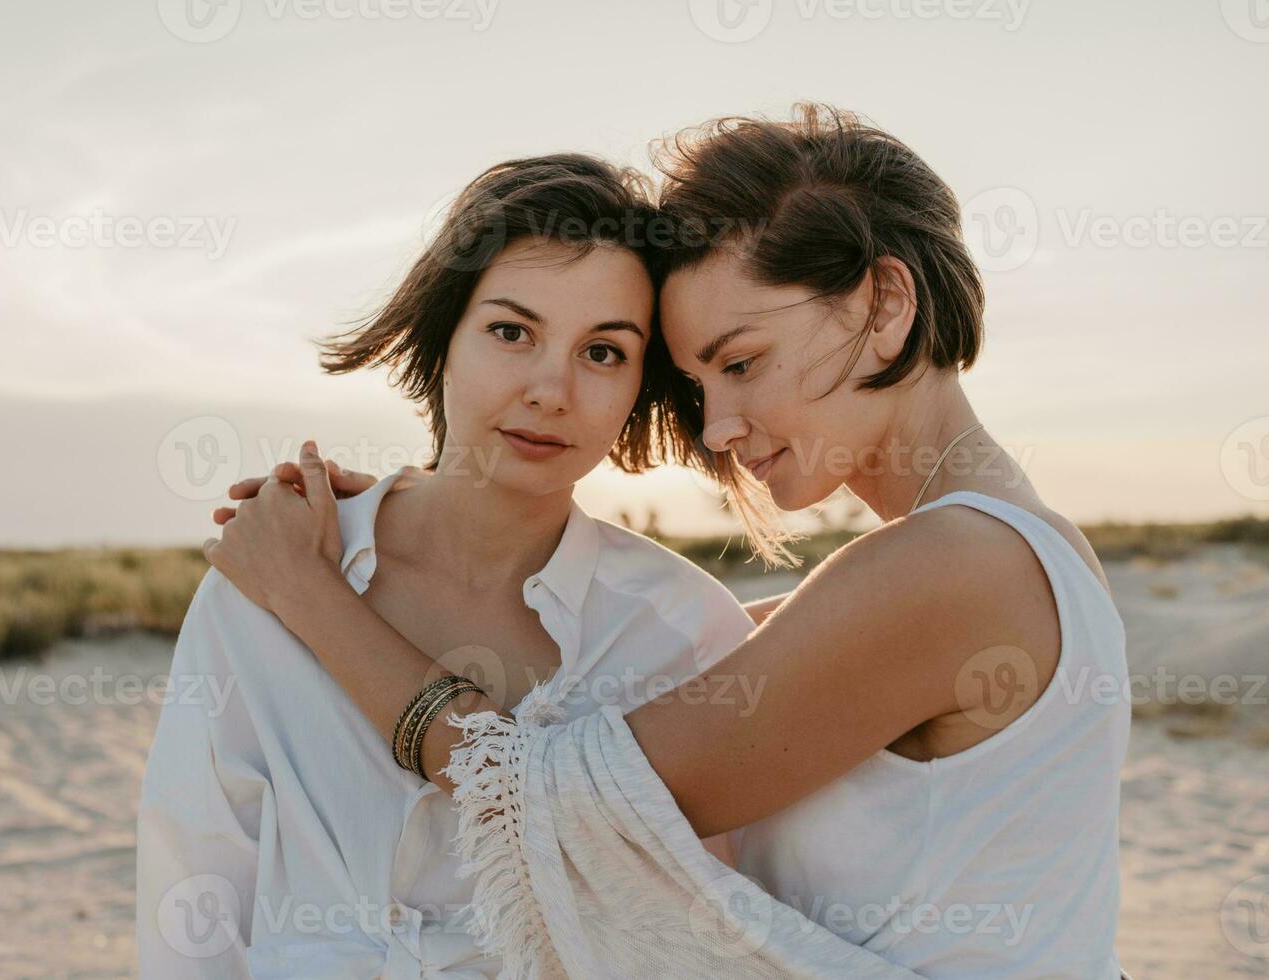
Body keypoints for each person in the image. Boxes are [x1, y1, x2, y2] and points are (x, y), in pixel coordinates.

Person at [206, 104, 1130, 977]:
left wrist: (305, 589)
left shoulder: (954, 568)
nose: (718, 427)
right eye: (695, 384)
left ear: (883, 303)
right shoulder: (1014, 550)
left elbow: (558, 805)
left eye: (741, 363)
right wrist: (434, 524)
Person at [137, 153, 788, 978]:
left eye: (604, 353)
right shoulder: (272, 568)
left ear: (639, 390)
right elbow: (194, 886)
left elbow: (705, 937)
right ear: (441, 339)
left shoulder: (681, 631)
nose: (551, 390)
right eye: (511, 332)